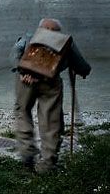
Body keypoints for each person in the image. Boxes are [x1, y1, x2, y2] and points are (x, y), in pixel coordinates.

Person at [11, 18, 91, 173]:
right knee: (51, 120)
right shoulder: (66, 42)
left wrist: (21, 71)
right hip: (50, 82)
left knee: (22, 111)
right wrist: (83, 71)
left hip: (25, 80)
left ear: (40, 28)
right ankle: (47, 164)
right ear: (57, 31)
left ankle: (27, 152)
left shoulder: (29, 36)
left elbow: (15, 52)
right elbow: (82, 65)